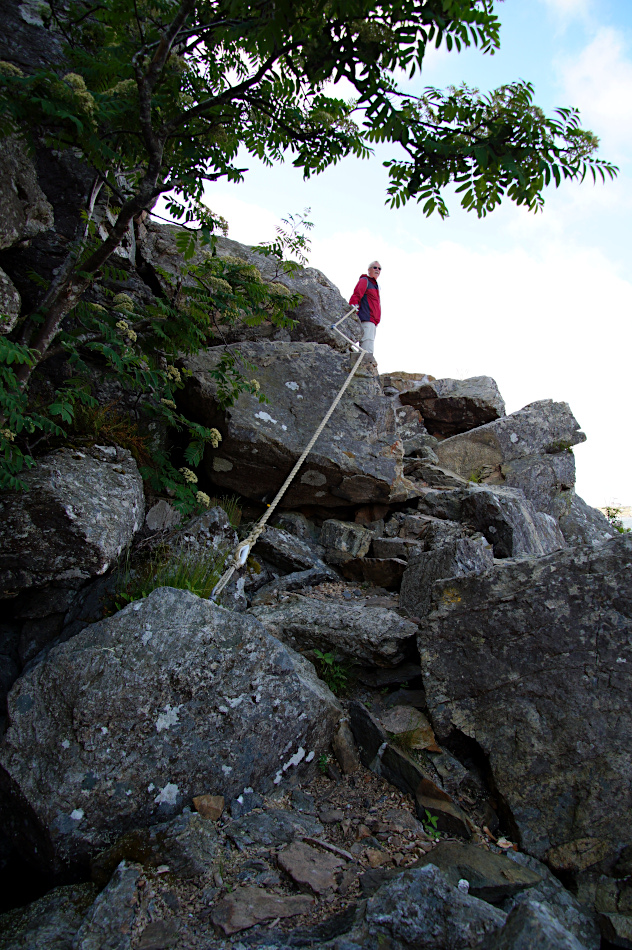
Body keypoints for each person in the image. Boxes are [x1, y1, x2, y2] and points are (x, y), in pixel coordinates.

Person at [349, 261, 381, 355]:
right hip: (367, 319)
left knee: (368, 345)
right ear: (369, 270)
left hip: (372, 322)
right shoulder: (365, 281)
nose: (377, 270)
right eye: (375, 267)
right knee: (367, 348)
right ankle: (365, 367)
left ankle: (364, 365)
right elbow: (356, 295)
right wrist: (353, 307)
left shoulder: (374, 285)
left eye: (379, 268)